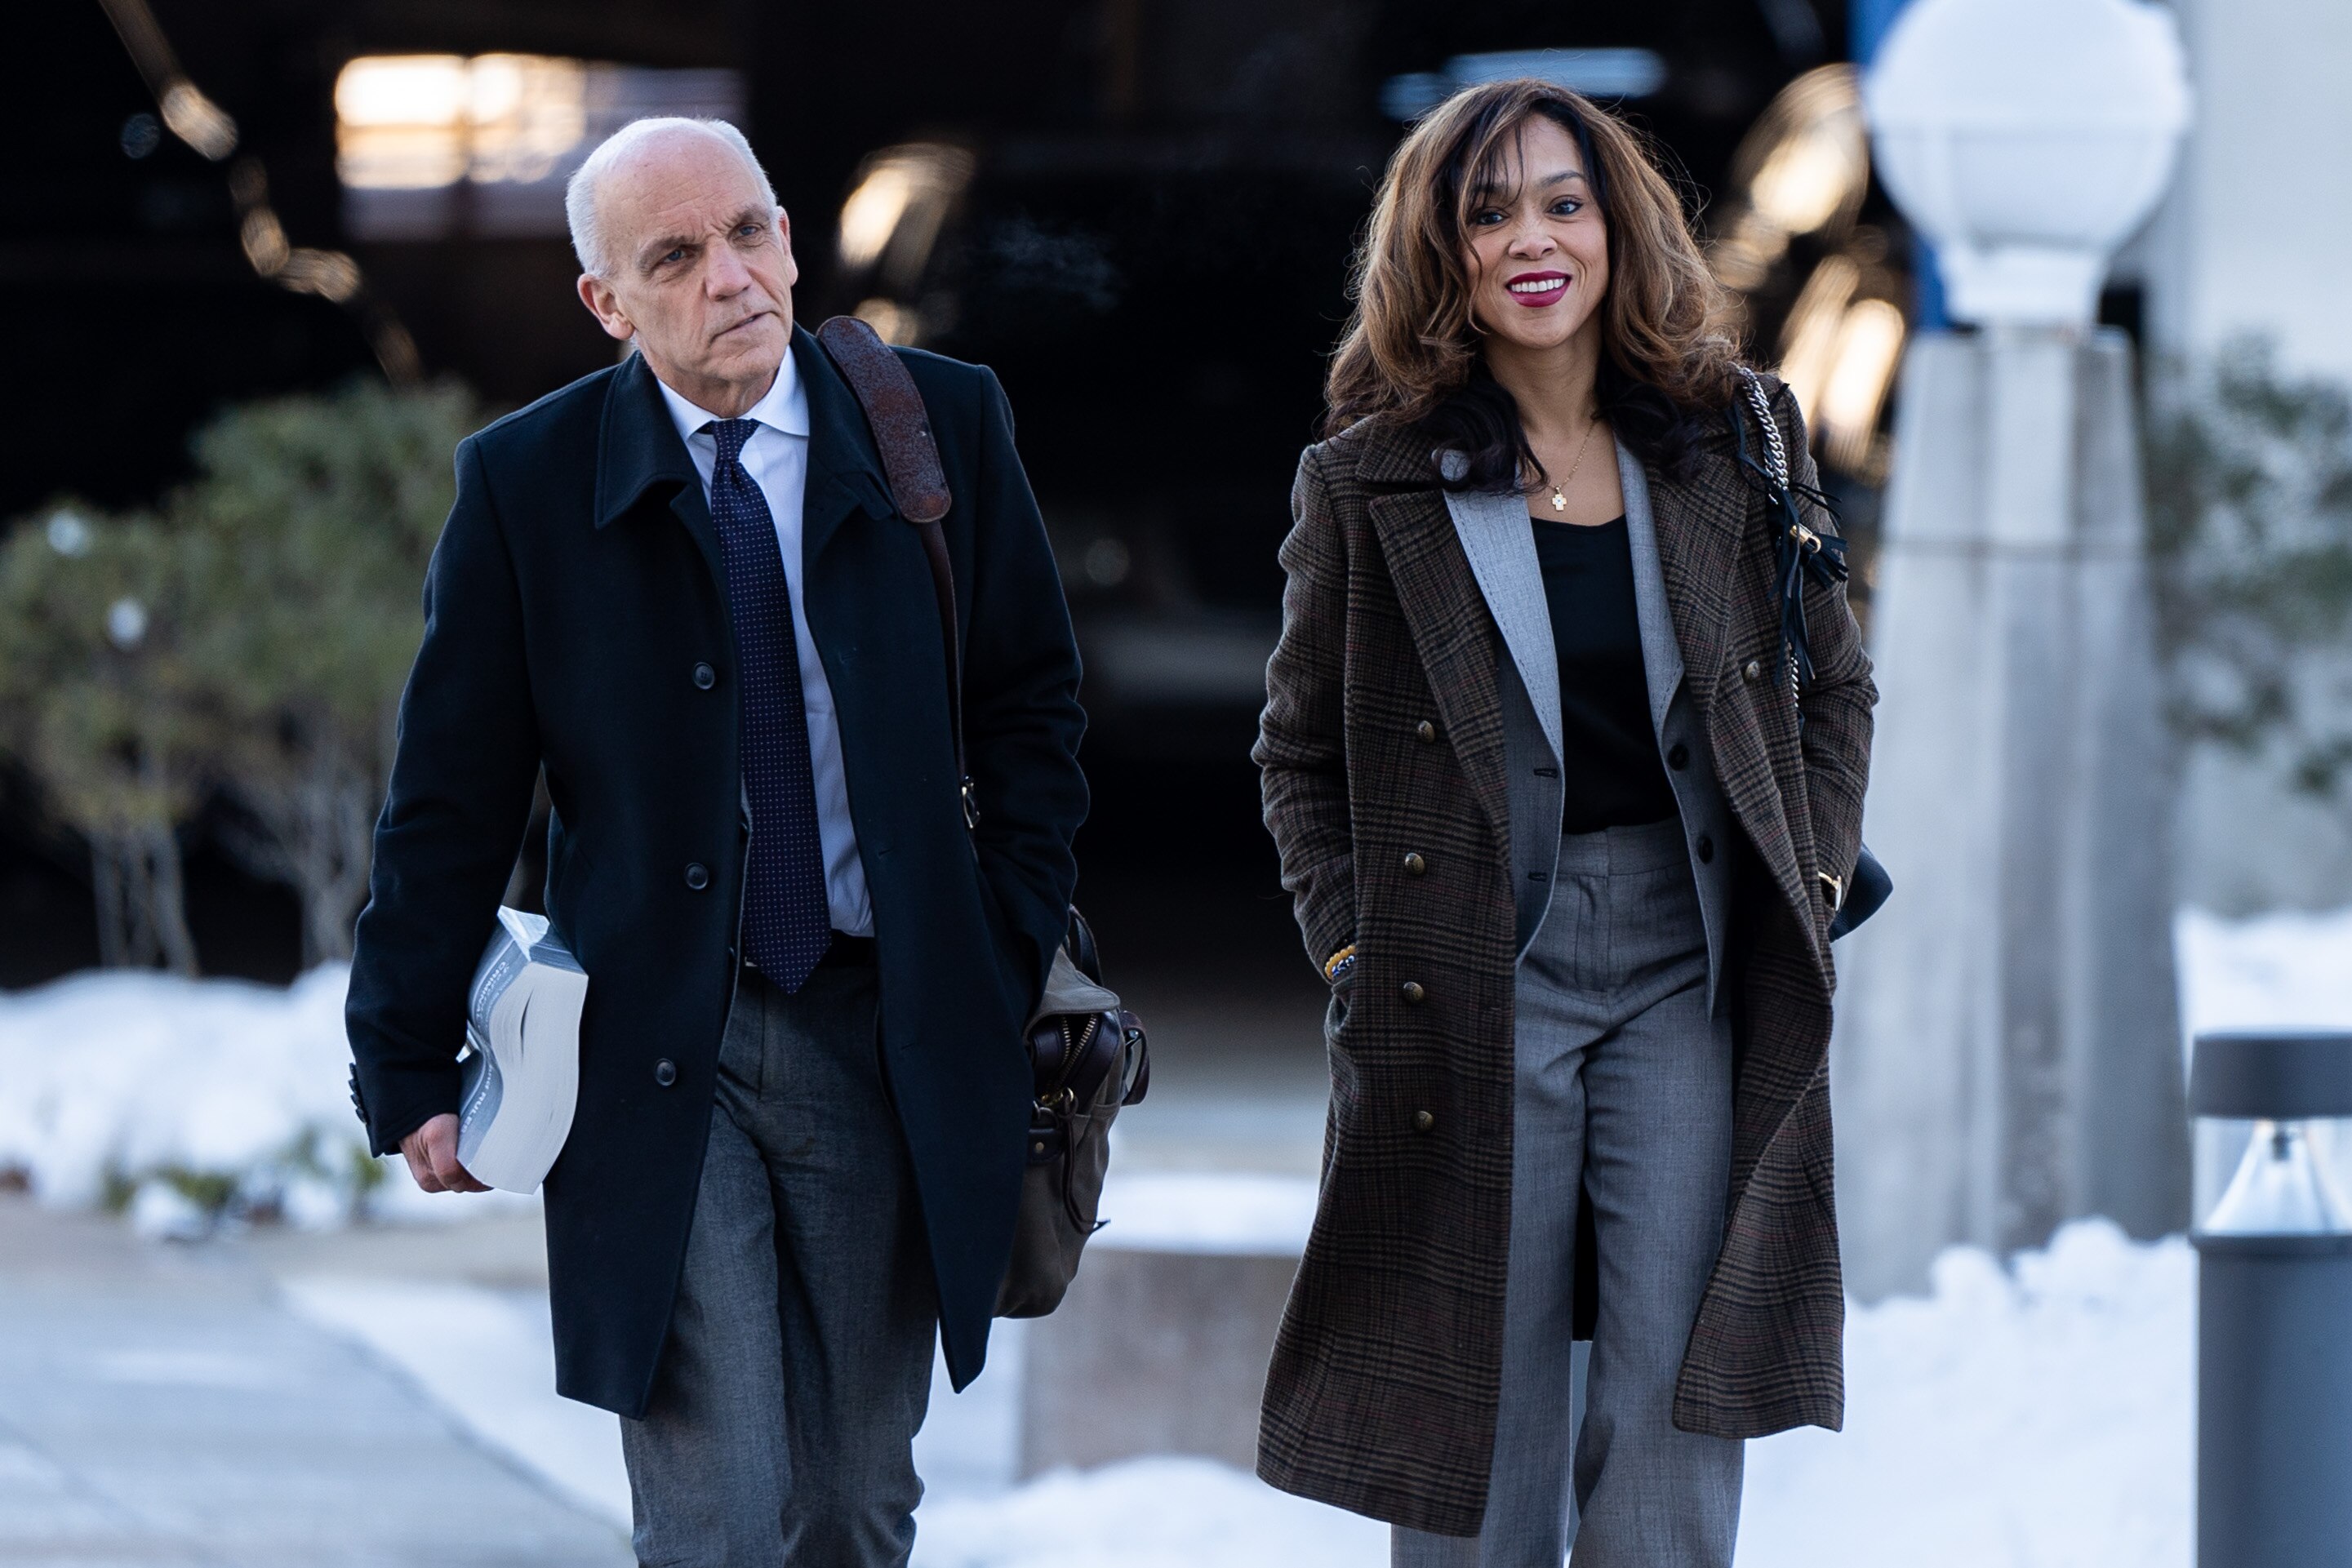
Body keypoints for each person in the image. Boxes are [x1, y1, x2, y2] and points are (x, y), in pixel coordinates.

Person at [344, 117, 1086, 1566]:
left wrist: (994, 945)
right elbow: (451, 796)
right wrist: (406, 1051)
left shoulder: (941, 424)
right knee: (721, 1517)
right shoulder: (527, 486)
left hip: (887, 1027)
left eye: (749, 233)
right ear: (607, 304)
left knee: (856, 1504)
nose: (730, 277)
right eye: (675, 257)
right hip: (656, 1041)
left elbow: (1031, 710)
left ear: (792, 239)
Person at [1252, 79, 1876, 1566]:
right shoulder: (1369, 476)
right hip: (1466, 964)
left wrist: (1817, 865)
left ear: (1613, 225)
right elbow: (1295, 753)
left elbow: (1833, 688)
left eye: (1559, 201)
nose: (1529, 238)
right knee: (1479, 1406)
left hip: (1684, 958)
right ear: (1440, 252)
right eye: (1487, 212)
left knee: (1676, 1383)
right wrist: (1352, 949)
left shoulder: (1737, 438)